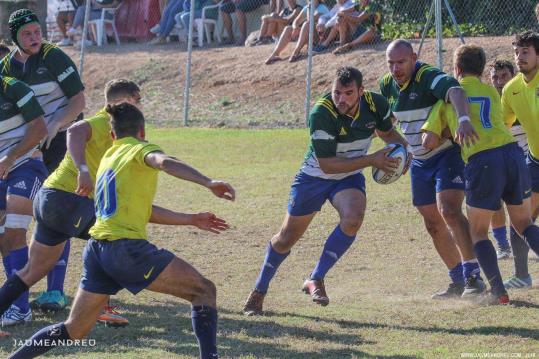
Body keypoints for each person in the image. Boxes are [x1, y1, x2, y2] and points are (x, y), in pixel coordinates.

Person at [8, 102, 234, 359]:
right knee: (203, 290)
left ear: (112, 134)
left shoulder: (108, 159)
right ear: (142, 130)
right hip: (126, 249)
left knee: (74, 329)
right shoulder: (140, 149)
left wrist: (190, 219)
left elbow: (139, 208)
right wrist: (207, 181)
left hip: (97, 251)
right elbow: (164, 162)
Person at [242, 66, 408, 315]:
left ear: (362, 92)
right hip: (315, 177)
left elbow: (386, 132)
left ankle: (315, 278)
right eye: (337, 92)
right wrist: (371, 159)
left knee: (353, 219)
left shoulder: (377, 104)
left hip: (349, 176)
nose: (341, 99)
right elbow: (327, 165)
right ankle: (258, 291)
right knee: (287, 238)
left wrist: (405, 150)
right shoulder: (321, 113)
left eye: (349, 93)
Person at [0, 79, 143, 330]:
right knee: (109, 239)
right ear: (125, 101)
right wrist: (83, 170)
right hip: (67, 198)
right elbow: (75, 130)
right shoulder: (104, 121)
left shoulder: (123, 128)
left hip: (61, 198)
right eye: (137, 101)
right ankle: (97, 308)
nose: (140, 107)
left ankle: (22, 307)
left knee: (34, 267)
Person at [422, 44, 539, 305]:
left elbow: (427, 142)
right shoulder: (490, 91)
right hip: (512, 154)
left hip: (482, 160)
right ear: (481, 69)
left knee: (478, 232)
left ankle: (498, 291)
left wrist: (443, 130)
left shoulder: (448, 97)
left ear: (457, 69)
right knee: (524, 224)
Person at [380, 39, 484, 300]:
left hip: (446, 154)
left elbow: (456, 92)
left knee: (449, 210)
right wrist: (402, 151)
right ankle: (457, 279)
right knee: (432, 223)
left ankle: (474, 275)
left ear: (414, 58)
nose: (395, 69)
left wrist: (462, 120)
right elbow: (383, 123)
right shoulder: (387, 86)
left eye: (401, 62)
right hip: (419, 162)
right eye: (390, 63)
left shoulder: (427, 76)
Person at [0, 8, 86, 324]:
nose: (35, 38)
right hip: (28, 146)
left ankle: (54, 290)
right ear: (15, 38)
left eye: (37, 31)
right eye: (27, 34)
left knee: (54, 212)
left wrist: (55, 126)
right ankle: (20, 291)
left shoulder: (54, 56)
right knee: (17, 220)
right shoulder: (6, 68)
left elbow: (79, 100)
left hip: (59, 141)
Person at [0, 74, 47, 329]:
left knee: (14, 233)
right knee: (3, 239)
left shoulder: (14, 88)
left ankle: (20, 308)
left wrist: (10, 157)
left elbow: (39, 128)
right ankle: (12, 302)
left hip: (25, 165)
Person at [501, 30, 539, 289]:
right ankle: (522, 275)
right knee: (520, 218)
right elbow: (502, 127)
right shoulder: (511, 89)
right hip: (534, 162)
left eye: (525, 51)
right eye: (516, 51)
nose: (519, 57)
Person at [488, 59, 527, 260]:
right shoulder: (489, 103)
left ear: (514, 77)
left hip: (527, 159)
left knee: (525, 206)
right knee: (494, 201)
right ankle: (503, 246)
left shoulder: (523, 98)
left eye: (504, 76)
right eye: (495, 77)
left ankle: (526, 240)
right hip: (498, 159)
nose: (499, 81)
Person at [264, 0, 329, 64]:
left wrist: (309, 8)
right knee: (288, 28)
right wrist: (295, 28)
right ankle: (275, 54)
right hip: (309, 36)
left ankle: (296, 52)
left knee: (307, 24)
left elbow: (310, 20)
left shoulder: (322, 8)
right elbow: (296, 21)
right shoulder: (307, 7)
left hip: (319, 39)